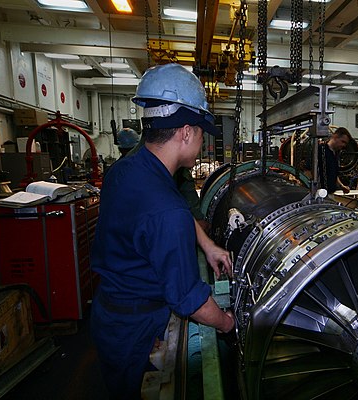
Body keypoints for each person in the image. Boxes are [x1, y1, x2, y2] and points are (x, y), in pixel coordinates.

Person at [90, 63, 234, 400]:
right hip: (136, 329)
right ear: (186, 132)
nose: (201, 140)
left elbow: (173, 213)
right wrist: (228, 323)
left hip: (111, 313)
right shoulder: (163, 208)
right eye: (201, 132)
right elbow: (188, 299)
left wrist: (208, 245)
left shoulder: (125, 171)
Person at [303, 127, 351, 194]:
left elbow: (333, 174)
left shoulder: (336, 154)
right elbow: (307, 171)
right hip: (319, 194)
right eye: (342, 141)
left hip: (330, 193)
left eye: (345, 143)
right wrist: (312, 190)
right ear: (335, 137)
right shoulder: (319, 150)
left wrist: (342, 186)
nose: (343, 145)